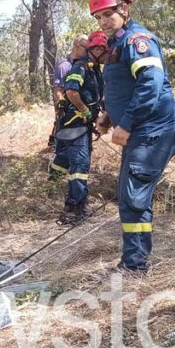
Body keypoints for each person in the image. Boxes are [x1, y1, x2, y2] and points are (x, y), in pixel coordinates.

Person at [89, 0, 175, 274]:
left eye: (107, 13)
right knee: (133, 197)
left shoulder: (137, 41)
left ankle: (135, 266)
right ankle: (136, 262)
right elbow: (126, 88)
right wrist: (108, 118)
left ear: (124, 8)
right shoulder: (118, 44)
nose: (103, 21)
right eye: (98, 16)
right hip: (143, 131)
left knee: (132, 196)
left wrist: (126, 124)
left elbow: (151, 85)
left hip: (153, 131)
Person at [57, 30, 108, 224]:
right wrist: (84, 110)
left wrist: (97, 118)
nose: (105, 56)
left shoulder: (95, 70)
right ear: (95, 49)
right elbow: (70, 91)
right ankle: (74, 209)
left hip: (84, 125)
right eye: (103, 51)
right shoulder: (80, 67)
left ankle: (77, 204)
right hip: (75, 125)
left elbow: (98, 97)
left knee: (81, 165)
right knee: (79, 166)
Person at [49, 37, 88, 179]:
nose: (88, 51)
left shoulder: (85, 65)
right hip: (67, 116)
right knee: (63, 150)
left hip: (81, 116)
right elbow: (58, 90)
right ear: (77, 45)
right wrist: (63, 103)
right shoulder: (64, 66)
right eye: (86, 48)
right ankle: (54, 182)